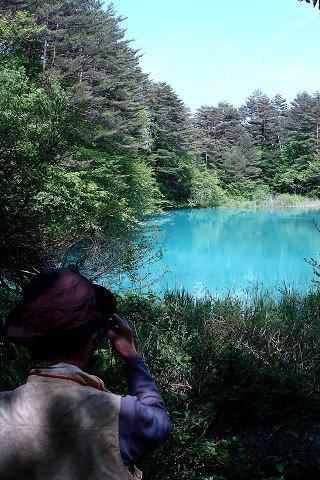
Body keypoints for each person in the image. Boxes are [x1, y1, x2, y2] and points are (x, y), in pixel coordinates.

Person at [0, 268, 172, 479]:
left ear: (30, 342)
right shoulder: (122, 415)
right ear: (89, 339)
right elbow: (160, 424)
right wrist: (132, 358)